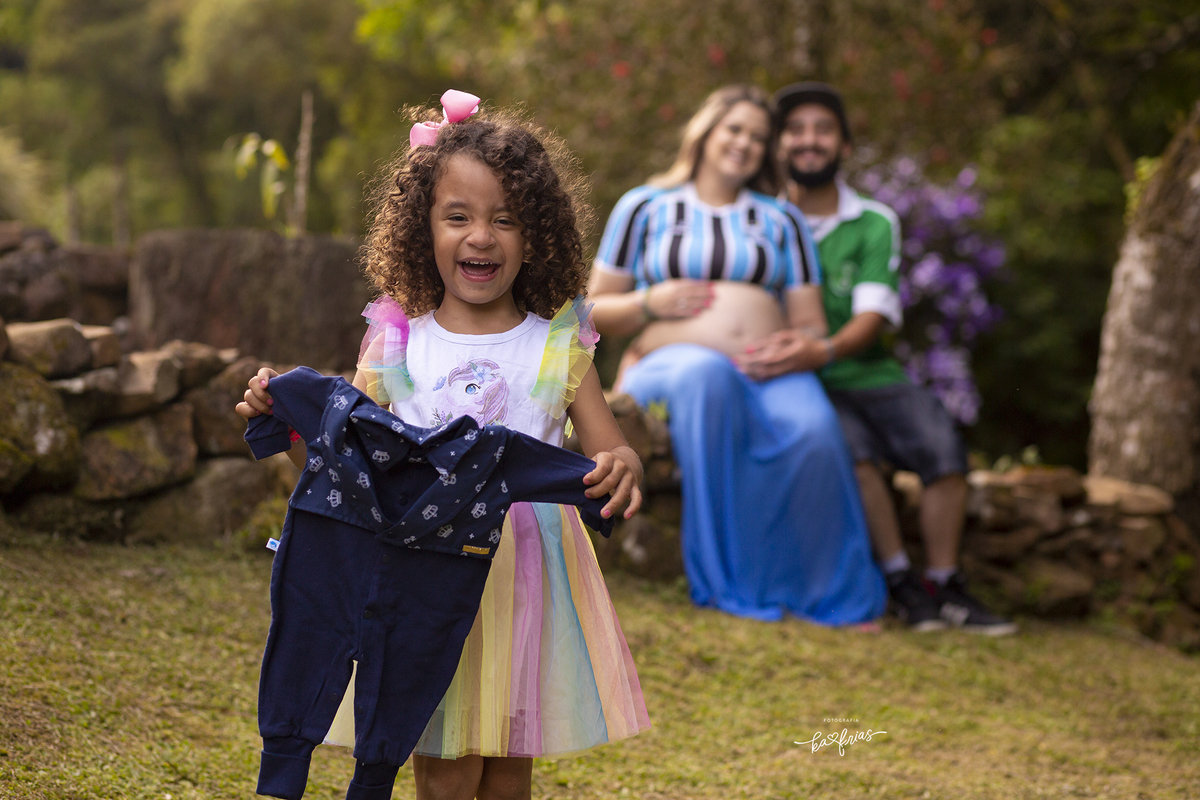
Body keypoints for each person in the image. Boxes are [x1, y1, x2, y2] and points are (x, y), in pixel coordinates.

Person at [239, 90, 651, 800]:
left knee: (508, 762)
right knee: (444, 759)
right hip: (421, 577)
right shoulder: (400, 339)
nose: (480, 237)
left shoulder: (558, 343)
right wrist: (289, 423)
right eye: (457, 217)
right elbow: (345, 467)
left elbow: (611, 453)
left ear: (538, 235)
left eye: (505, 220)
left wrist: (621, 467)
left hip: (523, 577)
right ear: (422, 227)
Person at [587, 84, 887, 625]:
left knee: (816, 429)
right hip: (673, 367)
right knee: (707, 378)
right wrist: (648, 302)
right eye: (734, 129)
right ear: (705, 133)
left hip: (767, 369)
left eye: (758, 137)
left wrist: (801, 348)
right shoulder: (646, 206)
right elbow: (590, 311)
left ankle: (829, 593)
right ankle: (734, 581)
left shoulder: (781, 220)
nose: (744, 144)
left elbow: (811, 322)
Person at [773, 81, 1016, 635]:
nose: (810, 141)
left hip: (867, 370)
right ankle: (903, 583)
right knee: (853, 457)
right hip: (797, 382)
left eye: (823, 130)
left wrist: (823, 348)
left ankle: (945, 584)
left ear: (845, 146)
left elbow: (873, 314)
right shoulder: (764, 221)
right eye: (797, 130)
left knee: (944, 448)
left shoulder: (874, 222)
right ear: (780, 145)